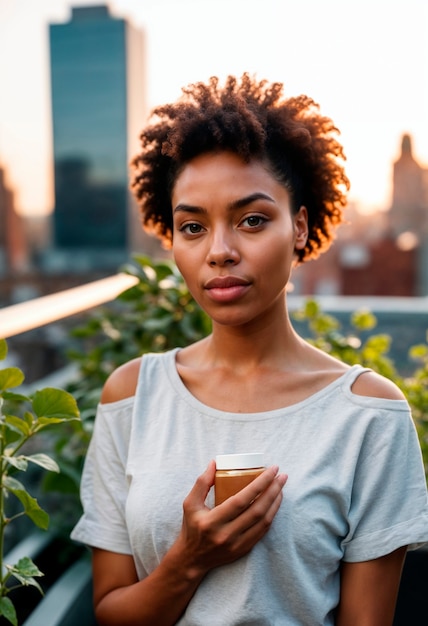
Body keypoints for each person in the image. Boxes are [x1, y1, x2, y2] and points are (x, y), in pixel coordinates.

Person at [71, 73, 428, 626]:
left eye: (252, 220)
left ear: (301, 227)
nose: (219, 252)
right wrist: (189, 562)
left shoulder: (367, 415)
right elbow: (110, 612)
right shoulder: (133, 395)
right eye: (192, 227)